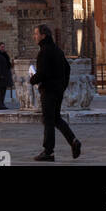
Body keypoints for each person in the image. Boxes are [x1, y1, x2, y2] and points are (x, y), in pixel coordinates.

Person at [31, 24, 82, 162]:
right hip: (58, 90)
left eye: (36, 34)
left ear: (43, 35)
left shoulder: (44, 51)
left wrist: (32, 79)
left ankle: (48, 152)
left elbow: (42, 73)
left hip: (48, 91)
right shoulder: (57, 50)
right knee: (56, 119)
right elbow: (67, 69)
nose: (34, 36)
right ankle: (73, 140)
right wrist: (62, 86)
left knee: (48, 120)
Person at [0, 43, 13, 110]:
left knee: (3, 91)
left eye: (4, 47)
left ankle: (2, 104)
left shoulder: (4, 55)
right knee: (0, 91)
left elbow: (7, 64)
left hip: (5, 76)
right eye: (2, 47)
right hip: (0, 76)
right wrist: (0, 75)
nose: (3, 48)